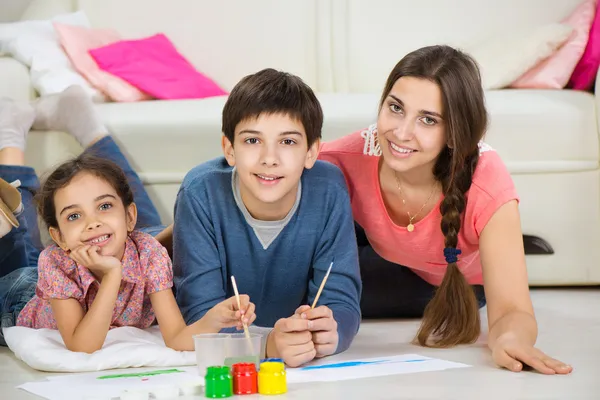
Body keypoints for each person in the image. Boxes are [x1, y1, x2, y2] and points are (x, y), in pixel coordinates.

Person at [318, 45, 572, 375]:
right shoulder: (349, 156)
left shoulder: (487, 185)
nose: (401, 132)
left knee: (327, 300)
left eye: (427, 119)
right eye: (396, 108)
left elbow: (511, 309)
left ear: (454, 133)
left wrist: (510, 338)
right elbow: (276, 166)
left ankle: (505, 244)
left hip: (446, 278)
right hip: (383, 246)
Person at [0, 87, 255, 352]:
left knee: (126, 220)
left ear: (132, 216)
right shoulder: (55, 262)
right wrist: (112, 275)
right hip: (16, 297)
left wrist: (213, 320)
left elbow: (177, 338)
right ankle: (10, 191)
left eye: (104, 207)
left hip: (118, 243)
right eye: (75, 215)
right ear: (59, 237)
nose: (92, 222)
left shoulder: (149, 254)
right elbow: (82, 346)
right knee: (20, 236)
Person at [172, 68, 362, 367]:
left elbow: (342, 301)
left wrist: (331, 333)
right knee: (133, 232)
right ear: (229, 149)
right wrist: (268, 344)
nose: (269, 158)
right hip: (155, 259)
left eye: (288, 142)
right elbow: (200, 318)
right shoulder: (200, 191)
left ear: (312, 152)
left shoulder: (329, 189)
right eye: (252, 141)